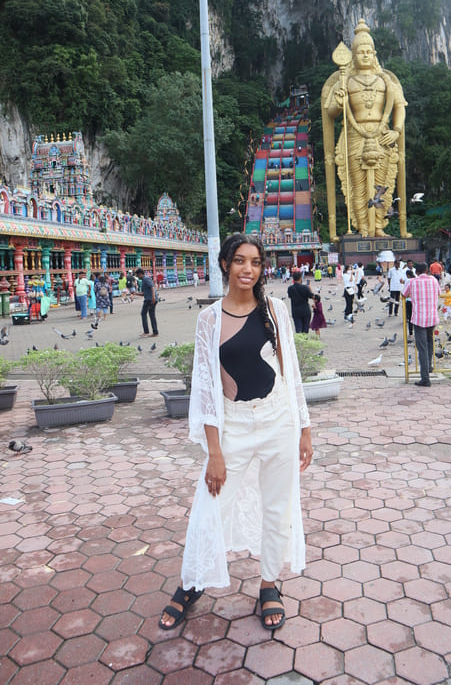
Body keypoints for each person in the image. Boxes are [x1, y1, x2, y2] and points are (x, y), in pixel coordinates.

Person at [158, 233, 312, 632]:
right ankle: (192, 582)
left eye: (256, 262)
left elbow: (291, 374)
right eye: (240, 261)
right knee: (211, 506)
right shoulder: (209, 319)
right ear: (225, 263)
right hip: (235, 425)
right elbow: (207, 388)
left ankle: (269, 584)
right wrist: (214, 452)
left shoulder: (275, 310)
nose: (248, 269)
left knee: (278, 508)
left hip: (279, 420)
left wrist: (305, 429)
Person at [321, 19, 408, 239]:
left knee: (381, 185)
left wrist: (396, 130)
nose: (366, 55)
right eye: (361, 52)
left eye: (369, 51)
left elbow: (399, 106)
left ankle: (378, 226)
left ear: (375, 53)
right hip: (354, 136)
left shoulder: (386, 80)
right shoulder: (345, 81)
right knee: (358, 186)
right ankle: (362, 227)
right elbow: (330, 112)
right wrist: (339, 103)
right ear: (353, 55)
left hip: (382, 136)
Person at [402, 262, 440, 387]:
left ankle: (425, 378)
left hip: (419, 319)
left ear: (416, 272)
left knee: (422, 348)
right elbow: (439, 293)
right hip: (432, 317)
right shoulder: (434, 280)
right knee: (429, 343)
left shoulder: (412, 281)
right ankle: (428, 367)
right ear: (427, 270)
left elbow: (403, 294)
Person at [135, 267, 158, 337]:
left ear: (140, 274)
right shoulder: (143, 281)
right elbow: (143, 294)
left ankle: (146, 331)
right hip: (150, 298)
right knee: (152, 315)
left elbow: (152, 287)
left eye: (137, 275)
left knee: (143, 314)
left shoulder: (146, 279)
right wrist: (135, 293)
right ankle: (155, 332)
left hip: (150, 299)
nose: (137, 277)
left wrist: (153, 297)